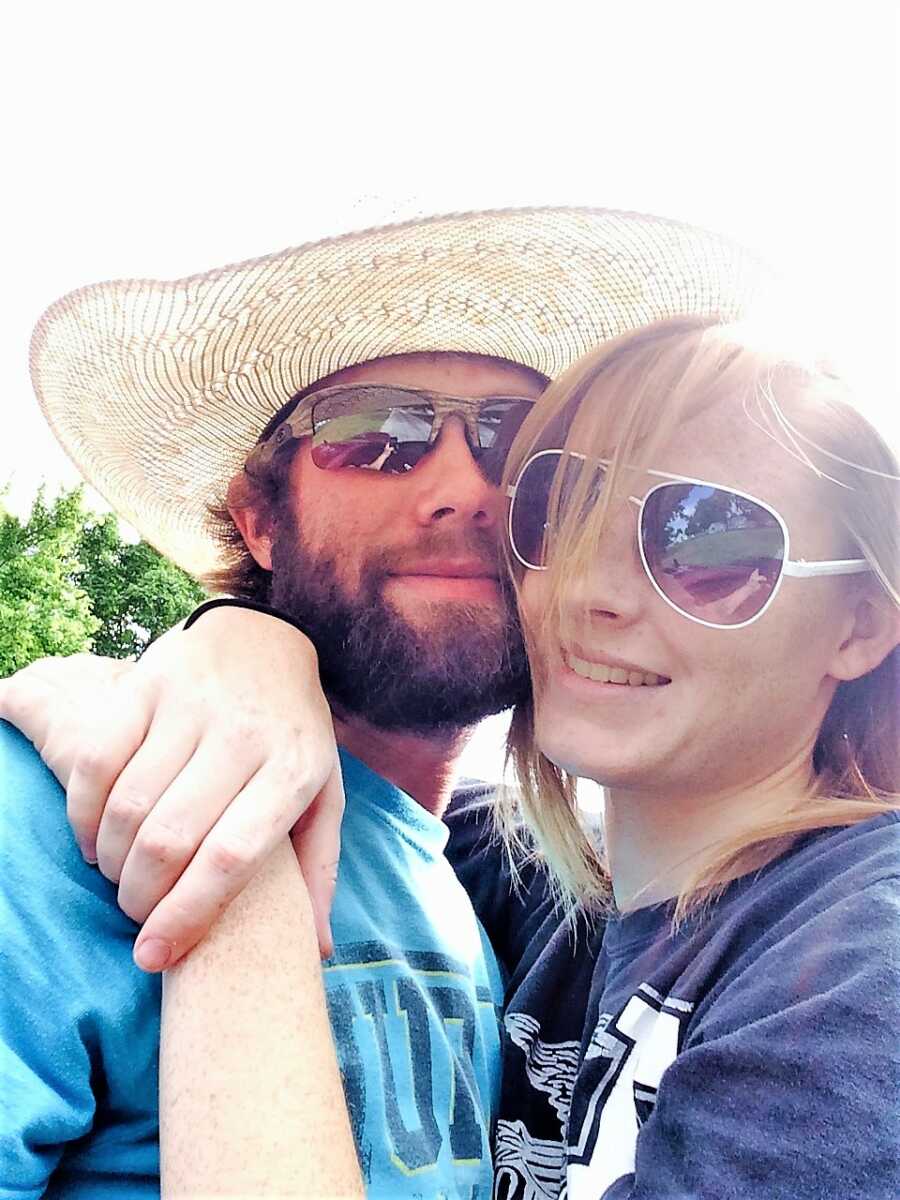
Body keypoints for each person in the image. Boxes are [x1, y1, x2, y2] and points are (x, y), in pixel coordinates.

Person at [0, 208, 769, 1198]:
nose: (463, 487)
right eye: (375, 434)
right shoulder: (61, 808)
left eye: (516, 444)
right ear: (257, 519)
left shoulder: (461, 885)